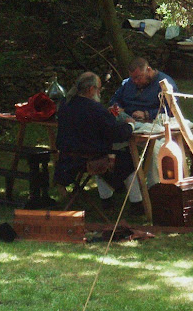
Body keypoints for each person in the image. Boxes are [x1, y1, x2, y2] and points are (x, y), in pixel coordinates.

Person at [54, 71, 143, 213]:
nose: (100, 92)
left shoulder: (65, 104)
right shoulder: (95, 108)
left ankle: (107, 201)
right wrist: (130, 125)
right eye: (99, 89)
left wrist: (110, 114)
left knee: (107, 155)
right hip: (89, 160)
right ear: (91, 89)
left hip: (66, 159)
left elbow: (93, 124)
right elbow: (116, 134)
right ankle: (136, 204)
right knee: (129, 159)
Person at [109, 57, 178, 122]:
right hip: (126, 118)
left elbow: (171, 109)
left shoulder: (165, 84)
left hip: (150, 122)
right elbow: (116, 98)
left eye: (138, 78)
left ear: (148, 70)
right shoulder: (129, 82)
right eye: (132, 78)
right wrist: (116, 107)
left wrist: (147, 114)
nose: (135, 81)